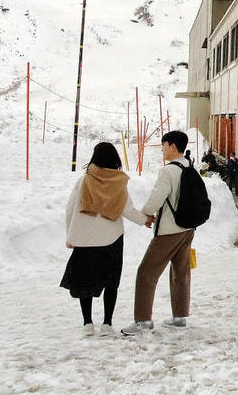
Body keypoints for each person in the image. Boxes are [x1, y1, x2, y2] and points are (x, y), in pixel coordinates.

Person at [61, 142, 145, 336]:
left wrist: (70, 235)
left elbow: (69, 208)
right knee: (111, 281)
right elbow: (128, 210)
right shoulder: (118, 182)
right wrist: (146, 220)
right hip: (111, 239)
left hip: (84, 239)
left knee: (85, 281)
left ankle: (87, 323)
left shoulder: (84, 181)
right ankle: (107, 323)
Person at [122, 130, 196, 335]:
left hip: (169, 230)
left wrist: (145, 215)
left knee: (146, 272)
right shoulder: (190, 166)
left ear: (172, 146)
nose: (162, 149)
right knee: (181, 271)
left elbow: (157, 197)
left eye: (163, 145)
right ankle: (180, 316)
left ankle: (143, 319)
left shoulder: (168, 171)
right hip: (188, 227)